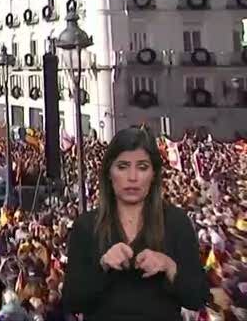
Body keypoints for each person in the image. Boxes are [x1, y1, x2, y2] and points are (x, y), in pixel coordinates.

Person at [61, 127, 210, 320]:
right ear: (109, 172)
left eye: (142, 167)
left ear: (154, 174)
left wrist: (170, 267)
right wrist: (102, 266)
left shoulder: (176, 222)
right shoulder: (86, 226)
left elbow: (198, 298)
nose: (132, 177)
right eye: (122, 166)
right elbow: (72, 301)